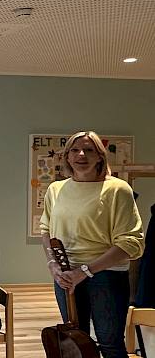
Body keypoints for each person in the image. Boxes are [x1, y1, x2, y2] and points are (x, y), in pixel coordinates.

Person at [39, 131, 144, 358]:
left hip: (106, 276)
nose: (81, 155)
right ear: (67, 157)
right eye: (75, 150)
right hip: (66, 276)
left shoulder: (117, 189)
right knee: (75, 343)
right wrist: (52, 265)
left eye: (89, 150)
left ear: (100, 156)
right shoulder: (56, 189)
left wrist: (85, 271)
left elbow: (131, 243)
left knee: (109, 343)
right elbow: (46, 229)